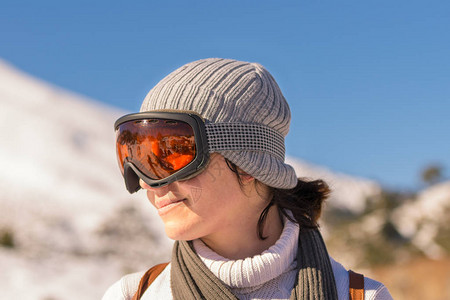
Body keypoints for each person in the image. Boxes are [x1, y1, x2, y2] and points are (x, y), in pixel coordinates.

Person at [103, 58, 393, 299]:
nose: (145, 181)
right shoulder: (133, 295)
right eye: (137, 155)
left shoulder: (359, 296)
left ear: (248, 164)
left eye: (172, 151)